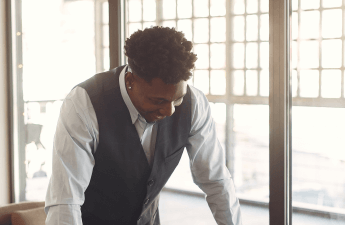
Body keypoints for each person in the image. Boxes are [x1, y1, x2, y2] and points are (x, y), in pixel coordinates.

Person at [45, 26, 242, 225]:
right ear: (130, 80)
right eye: (158, 101)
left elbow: (216, 181)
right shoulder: (83, 104)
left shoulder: (195, 104)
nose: (169, 111)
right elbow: (65, 201)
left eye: (177, 99)